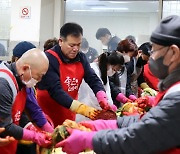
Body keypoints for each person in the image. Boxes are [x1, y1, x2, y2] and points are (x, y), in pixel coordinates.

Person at [55, 15, 180, 154]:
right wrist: (106, 125)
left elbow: (137, 138)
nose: (151, 58)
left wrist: (90, 139)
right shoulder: (173, 92)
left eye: (155, 51)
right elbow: (143, 122)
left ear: (174, 53)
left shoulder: (177, 98)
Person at [37, 22, 112, 127]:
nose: (76, 49)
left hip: (69, 115)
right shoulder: (49, 59)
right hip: (46, 117)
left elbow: (92, 78)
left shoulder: (81, 58)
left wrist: (102, 96)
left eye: (79, 45)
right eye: (71, 45)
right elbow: (56, 91)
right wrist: (83, 109)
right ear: (60, 41)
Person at [0, 48, 51, 154]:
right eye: (39, 76)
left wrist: (31, 127)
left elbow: (17, 113)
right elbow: (5, 126)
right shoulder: (4, 84)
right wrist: (35, 136)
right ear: (25, 68)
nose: (39, 80)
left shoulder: (21, 81)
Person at [76, 51, 124, 122]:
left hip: (96, 111)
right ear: (109, 63)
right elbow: (94, 95)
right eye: (114, 69)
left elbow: (107, 92)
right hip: (87, 110)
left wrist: (111, 105)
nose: (114, 72)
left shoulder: (103, 71)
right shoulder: (93, 69)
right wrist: (108, 106)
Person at [109, 39, 137, 108]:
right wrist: (119, 95)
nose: (130, 59)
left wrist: (131, 95)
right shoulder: (110, 61)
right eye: (130, 56)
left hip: (120, 102)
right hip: (111, 101)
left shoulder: (125, 66)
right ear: (124, 52)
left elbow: (126, 85)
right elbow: (109, 83)